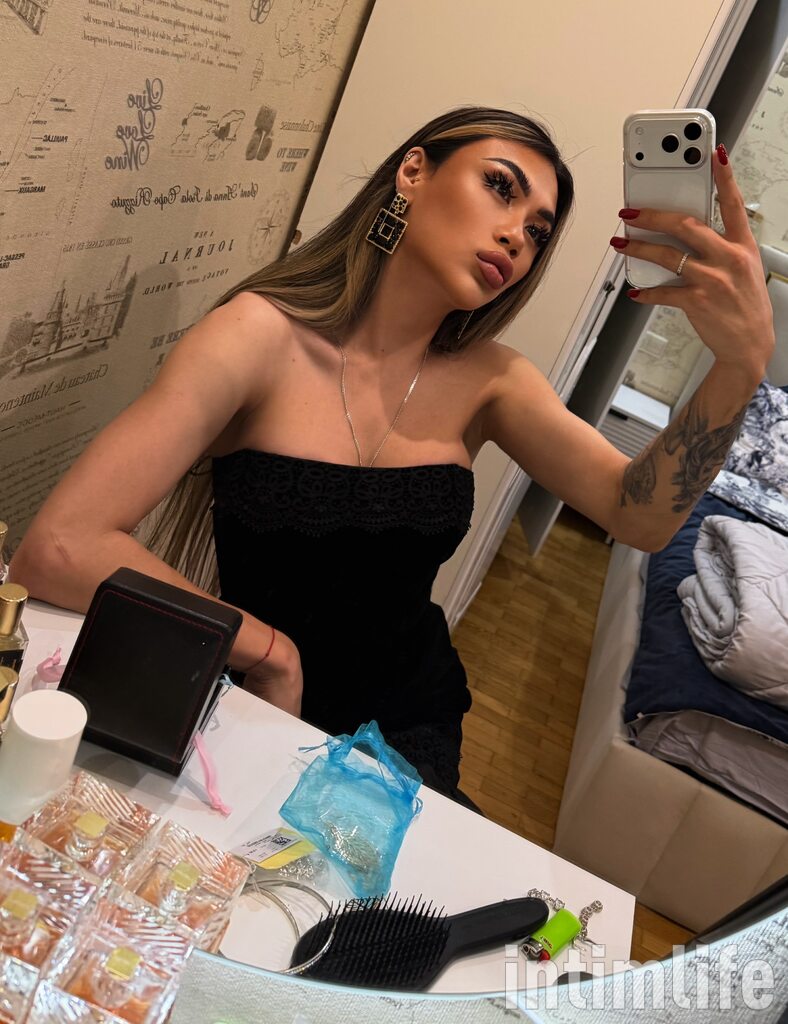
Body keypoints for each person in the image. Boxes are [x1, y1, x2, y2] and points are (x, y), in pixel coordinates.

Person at [10, 107, 775, 808]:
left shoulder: (494, 383)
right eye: (500, 187)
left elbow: (637, 516)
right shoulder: (256, 338)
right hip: (247, 707)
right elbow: (60, 547)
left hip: (410, 730)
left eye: (539, 231)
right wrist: (269, 650)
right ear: (413, 172)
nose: (517, 235)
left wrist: (738, 365)